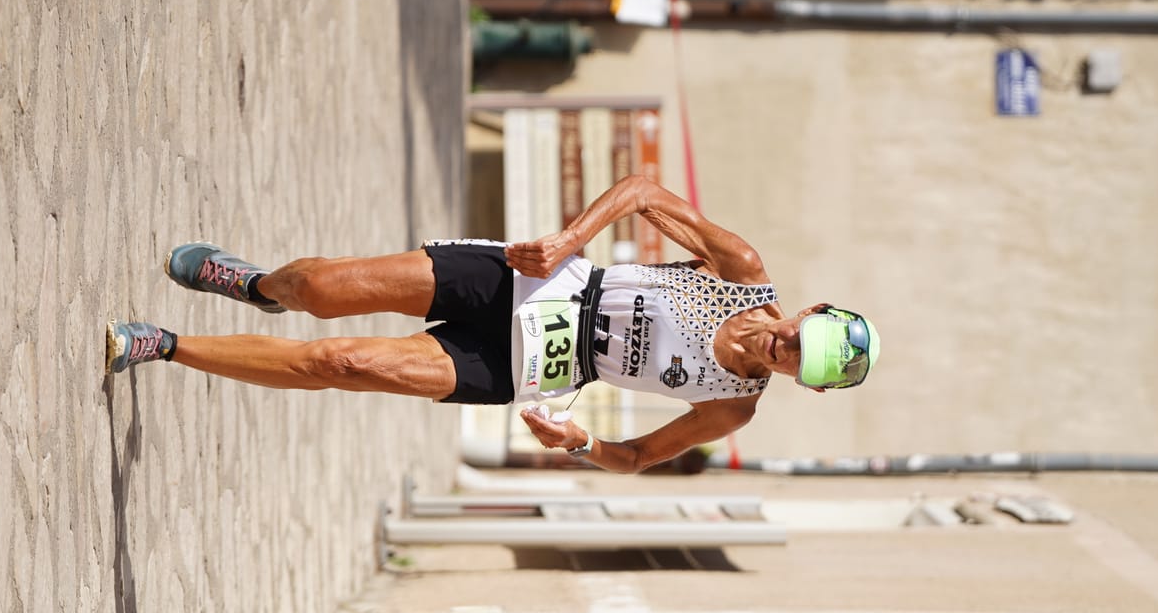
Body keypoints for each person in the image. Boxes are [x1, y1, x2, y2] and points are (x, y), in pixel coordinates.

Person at [104, 176, 879, 472]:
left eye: (801, 363)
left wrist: (581, 444)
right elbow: (644, 193)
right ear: (808, 311)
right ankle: (257, 283)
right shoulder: (739, 267)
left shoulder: (732, 405)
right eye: (801, 336)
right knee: (320, 288)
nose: (785, 348)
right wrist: (570, 239)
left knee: (340, 361)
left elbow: (639, 456)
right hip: (529, 278)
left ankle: (166, 346)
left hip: (522, 369)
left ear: (803, 385)